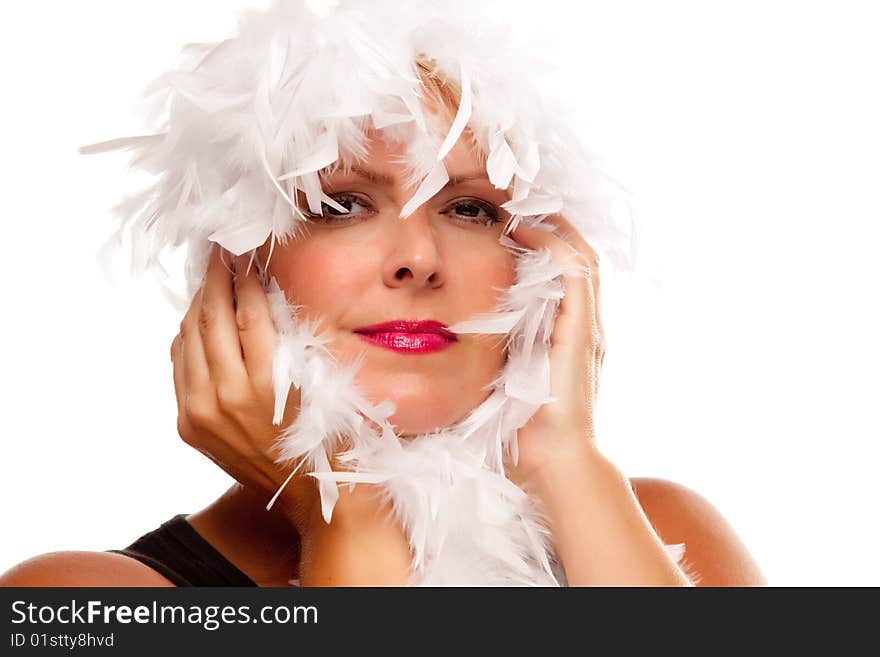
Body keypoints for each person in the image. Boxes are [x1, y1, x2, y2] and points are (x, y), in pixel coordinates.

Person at [0, 0, 766, 587]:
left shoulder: (667, 537)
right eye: (341, 203)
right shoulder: (81, 599)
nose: (419, 258)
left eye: (470, 207)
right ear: (235, 260)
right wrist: (346, 516)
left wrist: (565, 455)